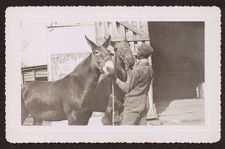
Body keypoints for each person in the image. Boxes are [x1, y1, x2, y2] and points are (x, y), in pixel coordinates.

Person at [114, 43, 154, 125]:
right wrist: (130, 70)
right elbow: (139, 81)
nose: (137, 52)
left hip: (134, 106)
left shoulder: (137, 71)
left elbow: (126, 88)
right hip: (145, 103)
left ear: (140, 54)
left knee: (127, 132)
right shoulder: (150, 69)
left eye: (138, 50)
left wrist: (114, 78)